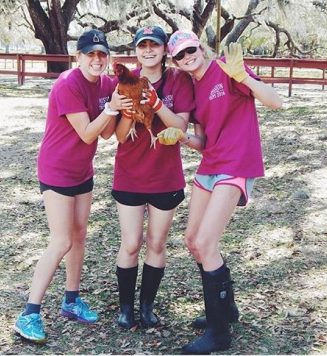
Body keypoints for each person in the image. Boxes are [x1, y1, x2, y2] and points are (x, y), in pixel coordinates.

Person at [158, 30, 282, 353]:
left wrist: (246, 78)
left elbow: (276, 102)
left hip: (237, 164)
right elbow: (204, 143)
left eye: (190, 50)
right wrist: (181, 137)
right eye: (180, 56)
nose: (188, 57)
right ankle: (226, 309)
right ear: (176, 62)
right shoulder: (193, 89)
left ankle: (219, 333)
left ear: (200, 47)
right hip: (211, 166)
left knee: (205, 242)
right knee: (192, 241)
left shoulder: (228, 68)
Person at [14, 29, 132, 343]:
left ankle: (71, 300)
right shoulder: (67, 84)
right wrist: (111, 109)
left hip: (82, 171)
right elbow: (87, 134)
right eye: (90, 54)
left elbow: (107, 134)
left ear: (108, 58)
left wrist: (125, 107)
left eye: (101, 54)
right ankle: (29, 312)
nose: (96, 59)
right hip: (56, 170)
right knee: (62, 240)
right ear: (77, 56)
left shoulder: (108, 85)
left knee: (80, 235)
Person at [112, 26, 195, 329]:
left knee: (156, 243)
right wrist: (123, 111)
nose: (148, 51)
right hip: (130, 175)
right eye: (142, 46)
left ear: (164, 50)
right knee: (131, 243)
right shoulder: (124, 81)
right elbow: (119, 137)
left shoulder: (178, 80)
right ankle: (125, 309)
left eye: (154, 45)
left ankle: (147, 307)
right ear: (135, 50)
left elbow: (182, 129)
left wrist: (158, 104)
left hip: (165, 177)